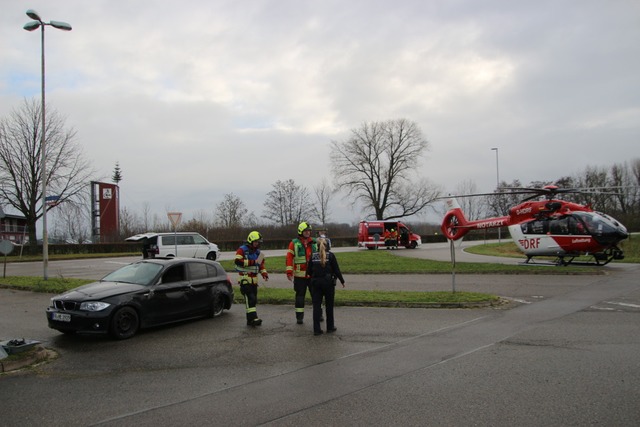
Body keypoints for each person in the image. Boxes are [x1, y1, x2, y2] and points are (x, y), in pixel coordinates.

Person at [307, 238, 345, 336]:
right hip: (328, 283)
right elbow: (336, 270)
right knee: (329, 306)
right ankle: (330, 327)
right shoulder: (331, 256)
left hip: (316, 283)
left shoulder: (313, 256)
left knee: (316, 306)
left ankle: (317, 329)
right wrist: (342, 281)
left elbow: (308, 272)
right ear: (328, 245)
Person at [286, 221, 318, 324]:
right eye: (306, 231)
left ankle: (319, 314)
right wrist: (289, 271)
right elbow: (289, 258)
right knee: (300, 297)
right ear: (301, 231)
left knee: (316, 295)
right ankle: (299, 317)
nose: (308, 233)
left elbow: (320, 255)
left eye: (309, 231)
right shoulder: (294, 243)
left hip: (313, 274)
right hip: (300, 276)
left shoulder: (314, 242)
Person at [235, 231, 268, 326]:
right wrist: (252, 262)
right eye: (256, 242)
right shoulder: (242, 250)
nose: (257, 243)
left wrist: (264, 273)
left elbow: (261, 265)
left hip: (254, 282)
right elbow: (237, 261)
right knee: (251, 298)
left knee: (253, 300)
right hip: (245, 280)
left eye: (258, 242)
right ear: (251, 240)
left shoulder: (259, 253)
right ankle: (254, 318)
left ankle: (250, 320)